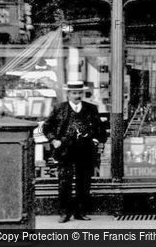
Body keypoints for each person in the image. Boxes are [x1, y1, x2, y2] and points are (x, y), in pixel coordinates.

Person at [43, 81, 107, 223]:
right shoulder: (59, 108)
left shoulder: (91, 109)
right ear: (68, 94)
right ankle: (64, 213)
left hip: (85, 150)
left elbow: (100, 130)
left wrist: (95, 140)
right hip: (65, 151)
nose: (77, 96)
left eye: (79, 93)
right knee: (64, 182)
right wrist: (54, 141)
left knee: (83, 182)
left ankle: (80, 212)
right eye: (74, 93)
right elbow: (47, 127)